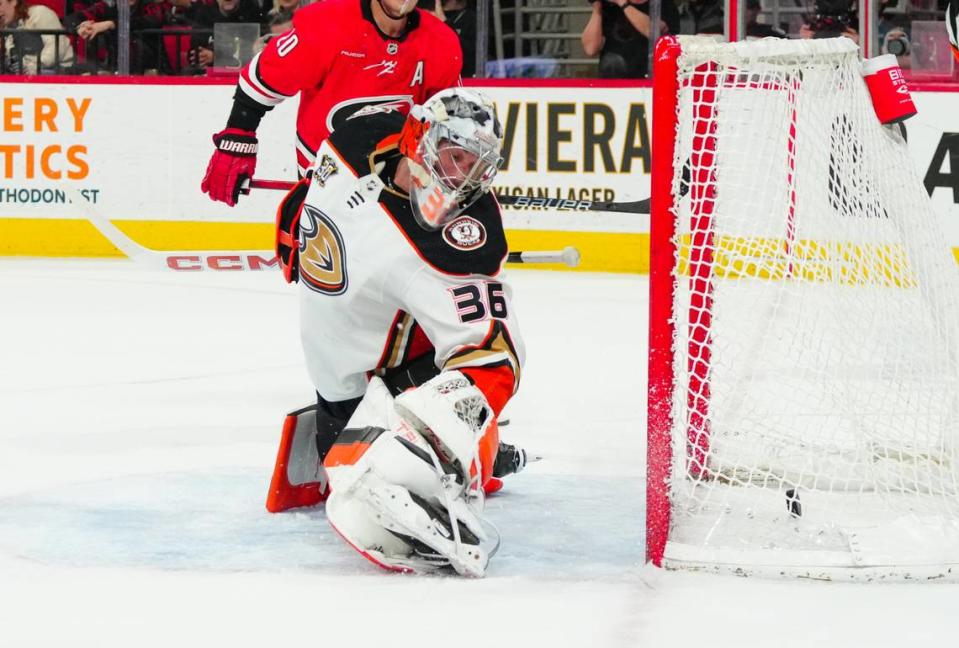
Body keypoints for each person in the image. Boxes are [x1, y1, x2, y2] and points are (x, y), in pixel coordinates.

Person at [268, 88, 529, 576]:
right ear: (417, 138)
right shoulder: (351, 140)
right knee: (339, 465)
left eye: (477, 166)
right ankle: (486, 450)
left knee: (379, 483)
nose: (464, 179)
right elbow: (311, 195)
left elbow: (494, 358)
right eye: (455, 158)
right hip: (339, 390)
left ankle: (478, 452)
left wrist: (444, 426)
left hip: (388, 392)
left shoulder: (454, 245)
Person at [200, 0, 463, 206]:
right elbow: (263, 78)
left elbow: (445, 119)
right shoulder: (327, 25)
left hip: (398, 188)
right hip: (323, 182)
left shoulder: (440, 42)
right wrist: (239, 135)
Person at [581, 0, 680, 79]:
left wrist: (623, 4)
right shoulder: (610, 9)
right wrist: (597, 8)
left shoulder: (662, 5)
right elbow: (590, 48)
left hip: (649, 82)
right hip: (614, 83)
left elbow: (653, 31)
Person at [0, 0, 74, 74]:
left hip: (58, 73)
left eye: (0, 4)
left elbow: (56, 49)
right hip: (27, 77)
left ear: (13, 1)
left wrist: (31, 68)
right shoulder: (6, 30)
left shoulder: (39, 13)